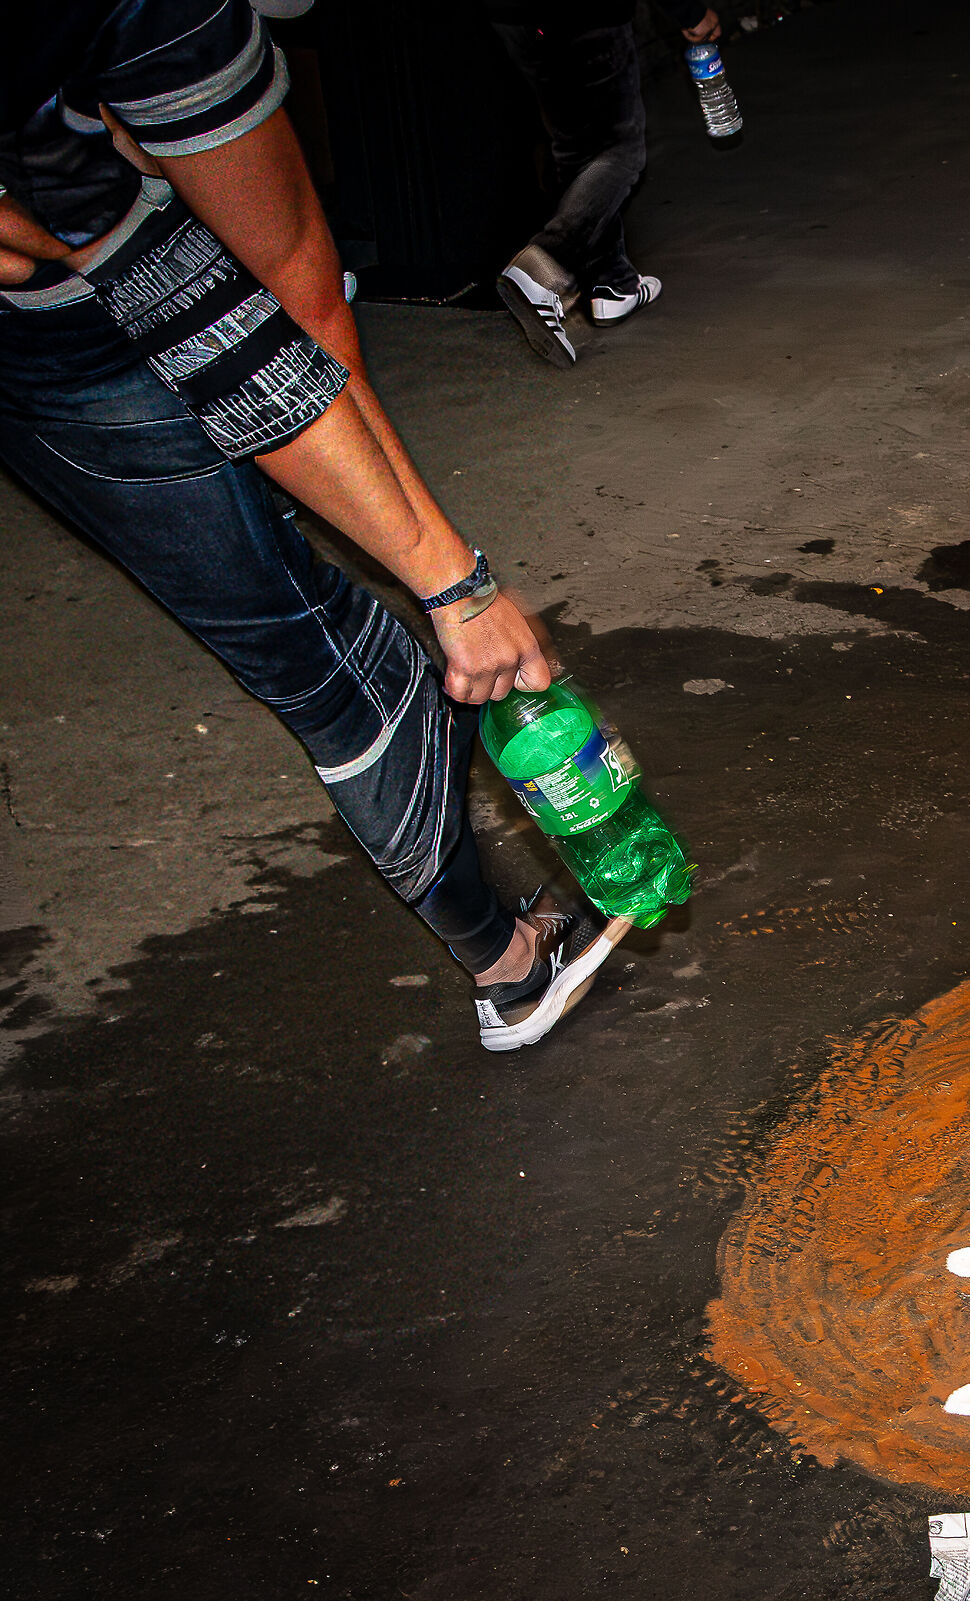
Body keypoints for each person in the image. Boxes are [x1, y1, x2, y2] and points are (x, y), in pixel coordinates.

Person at [2, 0, 621, 1049]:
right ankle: (512, 968)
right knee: (331, 661)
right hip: (84, 347)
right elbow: (259, 314)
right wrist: (452, 582)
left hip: (56, 306)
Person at [485, 0, 724, 368]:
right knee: (621, 151)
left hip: (516, 18)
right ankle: (544, 264)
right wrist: (688, 11)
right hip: (587, 17)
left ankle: (612, 283)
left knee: (576, 148)